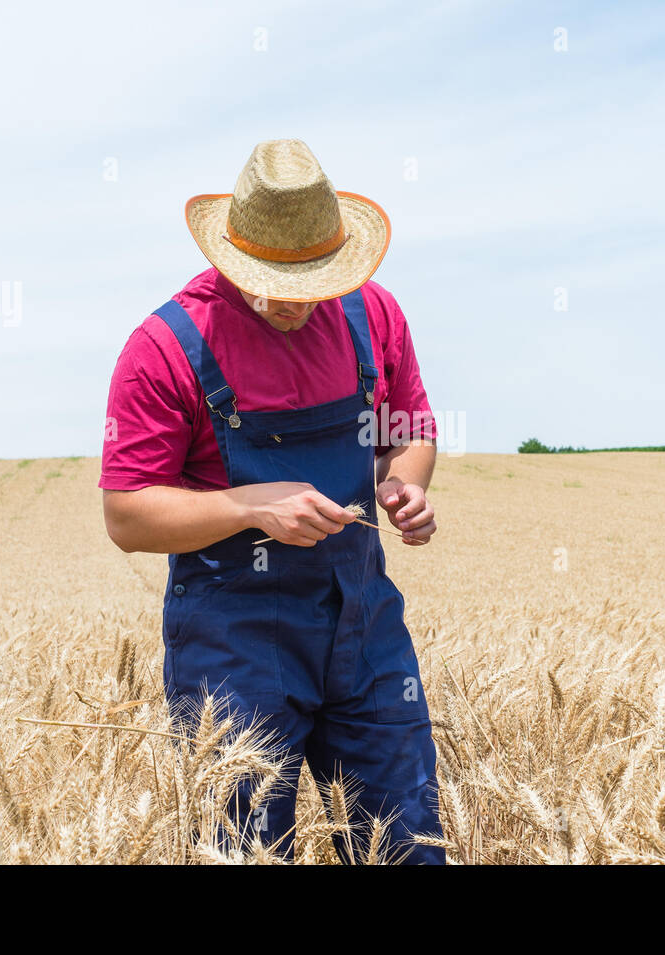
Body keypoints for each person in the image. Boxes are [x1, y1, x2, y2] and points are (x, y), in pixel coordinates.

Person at [98, 139, 446, 864]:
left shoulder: (372, 315)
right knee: (243, 851)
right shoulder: (165, 348)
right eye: (274, 283)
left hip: (366, 627)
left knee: (408, 845)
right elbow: (126, 513)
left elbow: (407, 428)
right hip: (235, 644)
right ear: (232, 258)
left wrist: (405, 481)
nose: (295, 303)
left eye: (314, 281)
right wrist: (251, 506)